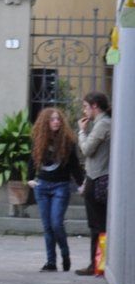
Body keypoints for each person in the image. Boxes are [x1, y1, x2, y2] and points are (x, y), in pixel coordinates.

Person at [27, 108, 84, 272]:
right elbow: (32, 159)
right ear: (45, 122)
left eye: (58, 119)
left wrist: (81, 184)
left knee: (56, 223)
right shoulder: (39, 139)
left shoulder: (67, 141)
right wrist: (30, 179)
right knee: (47, 226)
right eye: (52, 119)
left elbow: (74, 165)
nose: (56, 122)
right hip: (42, 187)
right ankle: (51, 262)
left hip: (61, 186)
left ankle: (65, 254)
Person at [75, 91, 111, 276]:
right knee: (97, 225)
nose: (84, 111)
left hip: (98, 180)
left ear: (95, 106)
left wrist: (81, 131)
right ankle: (98, 264)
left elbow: (87, 149)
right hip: (94, 178)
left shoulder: (103, 124)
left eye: (86, 107)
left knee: (98, 226)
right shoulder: (101, 123)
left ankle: (98, 264)